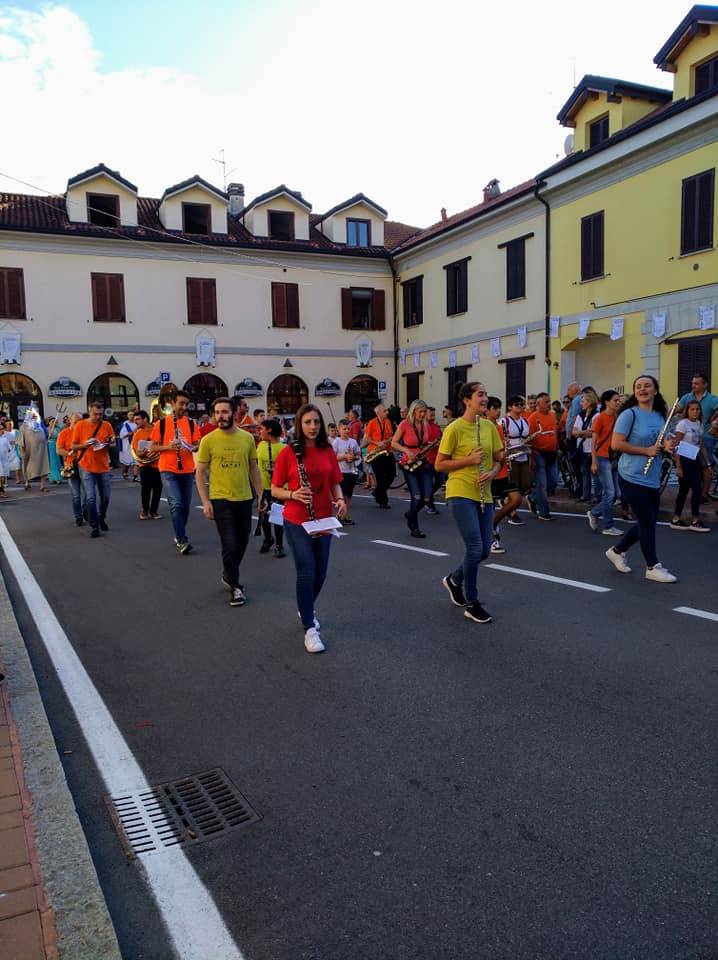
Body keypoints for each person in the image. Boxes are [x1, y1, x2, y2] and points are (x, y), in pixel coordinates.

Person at [271, 404, 347, 654]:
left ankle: (305, 605)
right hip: (296, 519)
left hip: (323, 519)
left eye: (316, 422)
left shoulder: (327, 451)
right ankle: (309, 628)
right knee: (306, 570)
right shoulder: (288, 453)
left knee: (321, 573)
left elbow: (334, 482)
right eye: (307, 422)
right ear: (299, 426)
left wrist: (340, 500)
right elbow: (275, 489)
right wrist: (293, 493)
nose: (313, 427)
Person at [435, 382, 503, 623]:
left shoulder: (489, 427)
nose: (485, 399)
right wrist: (468, 460)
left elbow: (499, 457)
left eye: (485, 394)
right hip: (460, 491)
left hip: (485, 494)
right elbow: (440, 464)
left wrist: (494, 472)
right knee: (474, 548)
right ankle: (472, 603)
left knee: (484, 550)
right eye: (480, 394)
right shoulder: (454, 429)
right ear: (467, 400)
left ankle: (454, 579)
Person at [605, 375, 678, 583]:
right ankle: (652, 566)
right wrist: (644, 451)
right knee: (647, 520)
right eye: (638, 386)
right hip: (631, 476)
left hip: (652, 477)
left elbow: (664, 438)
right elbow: (616, 444)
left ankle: (617, 550)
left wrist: (667, 445)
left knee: (649, 521)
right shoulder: (629, 414)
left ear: (655, 390)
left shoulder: (659, 414)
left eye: (647, 386)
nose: (642, 389)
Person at [196, 397, 263, 607]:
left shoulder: (247, 438)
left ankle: (228, 574)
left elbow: (253, 468)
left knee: (242, 541)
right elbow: (199, 473)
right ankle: (235, 586)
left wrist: (261, 495)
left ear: (234, 413)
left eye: (224, 412)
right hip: (220, 499)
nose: (220, 416)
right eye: (217, 412)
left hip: (244, 498)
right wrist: (206, 502)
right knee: (230, 543)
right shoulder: (208, 440)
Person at [151, 390, 200, 555]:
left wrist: (193, 446)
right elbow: (153, 447)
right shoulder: (161, 424)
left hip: (187, 469)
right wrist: (169, 447)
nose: (184, 407)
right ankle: (182, 539)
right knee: (176, 503)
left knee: (185, 507)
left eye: (186, 404)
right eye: (181, 403)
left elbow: (197, 443)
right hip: (168, 468)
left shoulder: (192, 423)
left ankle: (179, 533)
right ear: (173, 403)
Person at [71, 402, 115, 538]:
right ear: (89, 411)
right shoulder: (80, 425)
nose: (98, 417)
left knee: (106, 497)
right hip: (86, 466)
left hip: (103, 466)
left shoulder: (106, 425)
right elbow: (73, 446)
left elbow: (113, 442)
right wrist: (85, 444)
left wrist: (106, 445)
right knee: (91, 498)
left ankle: (101, 517)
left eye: (100, 414)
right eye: (95, 414)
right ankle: (94, 526)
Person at [392, 399, 433, 538]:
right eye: (420, 412)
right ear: (413, 411)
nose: (423, 414)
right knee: (416, 496)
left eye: (424, 412)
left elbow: (425, 442)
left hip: (423, 462)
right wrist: (406, 450)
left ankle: (411, 514)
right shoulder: (404, 424)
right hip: (409, 463)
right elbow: (394, 443)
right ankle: (414, 527)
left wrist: (431, 445)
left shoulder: (425, 424)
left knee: (426, 497)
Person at [485, 397, 519, 553]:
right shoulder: (483, 427)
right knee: (489, 507)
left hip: (503, 470)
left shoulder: (498, 427)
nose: (498, 411)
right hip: (491, 472)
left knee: (516, 499)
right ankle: (493, 540)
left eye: (499, 408)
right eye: (495, 408)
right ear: (487, 410)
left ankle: (491, 524)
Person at [586, 390, 623, 536]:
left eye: (619, 400)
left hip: (613, 458)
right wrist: (594, 462)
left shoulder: (617, 417)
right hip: (602, 458)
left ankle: (595, 513)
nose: (618, 402)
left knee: (614, 494)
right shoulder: (600, 418)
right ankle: (608, 526)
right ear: (606, 402)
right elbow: (593, 442)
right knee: (610, 493)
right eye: (615, 400)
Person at [670, 400, 710, 532]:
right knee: (695, 489)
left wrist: (707, 462)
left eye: (697, 409)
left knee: (685, 490)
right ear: (687, 410)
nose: (695, 412)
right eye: (692, 409)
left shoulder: (699, 424)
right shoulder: (683, 424)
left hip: (695, 459)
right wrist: (678, 466)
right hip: (685, 459)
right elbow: (676, 445)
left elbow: (701, 445)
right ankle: (695, 520)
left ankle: (676, 518)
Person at [678, 373, 718, 503]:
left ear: (704, 385)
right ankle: (690, 491)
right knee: (686, 464)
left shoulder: (712, 399)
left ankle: (703, 495)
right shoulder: (687, 397)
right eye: (692, 383)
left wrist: (714, 420)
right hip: (688, 437)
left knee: (705, 465)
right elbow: (677, 409)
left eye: (696, 383)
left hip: (705, 437)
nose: (693, 385)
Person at [499, 396, 532, 526]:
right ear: (510, 407)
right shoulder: (504, 421)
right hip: (511, 457)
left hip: (523, 455)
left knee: (525, 485)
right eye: (517, 404)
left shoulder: (525, 421)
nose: (520, 406)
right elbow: (499, 437)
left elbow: (527, 436)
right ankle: (512, 514)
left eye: (521, 404)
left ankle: (506, 501)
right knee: (515, 486)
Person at [256, 418, 286, 557]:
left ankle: (279, 545)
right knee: (263, 515)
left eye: (261, 429)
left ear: (269, 430)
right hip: (264, 487)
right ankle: (268, 538)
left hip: (279, 488)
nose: (259, 432)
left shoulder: (284, 448)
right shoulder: (261, 445)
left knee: (277, 517)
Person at [527, 392, 559, 520]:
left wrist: (558, 449)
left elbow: (554, 434)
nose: (549, 404)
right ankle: (544, 512)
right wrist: (532, 457)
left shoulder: (553, 416)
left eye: (549, 401)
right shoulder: (533, 418)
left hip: (552, 453)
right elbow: (528, 439)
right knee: (542, 484)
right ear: (538, 404)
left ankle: (533, 497)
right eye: (546, 402)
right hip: (538, 453)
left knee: (554, 481)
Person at [363, 403, 396, 509]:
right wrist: (378, 443)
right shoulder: (372, 423)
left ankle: (377, 492)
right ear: (378, 412)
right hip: (376, 453)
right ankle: (383, 501)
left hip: (387, 451)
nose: (387, 412)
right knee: (381, 478)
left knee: (392, 474)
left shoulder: (388, 422)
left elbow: (390, 436)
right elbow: (366, 439)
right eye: (385, 411)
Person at [131, 410, 163, 520]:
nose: (135, 422)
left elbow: (162, 444)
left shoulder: (157, 429)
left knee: (158, 488)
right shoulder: (138, 433)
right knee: (145, 488)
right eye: (134, 420)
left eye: (137, 419)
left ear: (145, 419)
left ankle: (154, 511)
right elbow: (136, 451)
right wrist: (142, 452)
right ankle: (145, 510)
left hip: (158, 464)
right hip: (144, 464)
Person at [56, 412, 87, 526]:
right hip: (71, 466)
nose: (78, 424)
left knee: (89, 494)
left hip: (85, 466)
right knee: (76, 495)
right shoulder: (64, 433)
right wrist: (70, 453)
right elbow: (58, 450)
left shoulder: (84, 432)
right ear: (70, 421)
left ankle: (85, 510)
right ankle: (78, 517)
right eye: (75, 422)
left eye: (80, 422)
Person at [571, 390, 599, 503]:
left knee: (594, 473)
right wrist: (584, 432)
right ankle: (585, 495)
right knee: (584, 472)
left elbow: (593, 433)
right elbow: (574, 432)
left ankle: (597, 495)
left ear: (589, 402)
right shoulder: (580, 415)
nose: (581, 404)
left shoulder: (597, 415)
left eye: (583, 401)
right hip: (582, 447)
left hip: (592, 448)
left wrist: (580, 432)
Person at [332, 419, 361, 524]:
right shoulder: (336, 442)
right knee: (343, 495)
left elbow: (358, 455)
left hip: (351, 471)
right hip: (341, 471)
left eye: (348, 428)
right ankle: (340, 515)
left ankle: (346, 515)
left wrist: (353, 457)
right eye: (344, 429)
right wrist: (344, 456)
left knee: (349, 495)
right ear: (339, 430)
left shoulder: (353, 442)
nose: (347, 431)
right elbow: (332, 458)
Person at [18, 407, 49, 492]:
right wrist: (22, 450)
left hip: (42, 450)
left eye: (35, 415)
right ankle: (27, 483)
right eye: (32, 416)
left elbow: (47, 436)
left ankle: (42, 486)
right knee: (27, 467)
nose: (34, 417)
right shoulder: (24, 426)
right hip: (29, 450)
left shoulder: (40, 425)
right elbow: (21, 440)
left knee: (44, 466)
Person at [424, 407, 443, 514]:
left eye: (433, 415)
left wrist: (440, 443)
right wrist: (431, 444)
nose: (433, 417)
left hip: (437, 460)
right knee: (429, 483)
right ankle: (430, 505)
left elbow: (441, 439)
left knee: (440, 480)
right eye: (431, 415)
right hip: (427, 460)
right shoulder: (422, 427)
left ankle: (427, 496)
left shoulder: (436, 427)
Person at [118, 411, 137, 480]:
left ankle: (135, 476)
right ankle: (125, 471)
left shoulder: (137, 423)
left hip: (135, 444)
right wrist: (129, 434)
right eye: (130, 415)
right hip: (126, 445)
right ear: (127, 416)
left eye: (133, 415)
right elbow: (121, 436)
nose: (131, 416)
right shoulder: (124, 424)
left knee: (135, 461)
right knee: (127, 462)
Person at [46, 417, 63, 484]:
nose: (53, 422)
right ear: (49, 422)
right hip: (51, 445)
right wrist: (52, 427)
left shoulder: (58, 429)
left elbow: (61, 436)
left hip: (57, 445)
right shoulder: (47, 429)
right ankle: (54, 477)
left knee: (58, 461)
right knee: (53, 461)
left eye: (54, 421)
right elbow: (49, 436)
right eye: (52, 421)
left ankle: (58, 477)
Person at [4, 420, 21, 485]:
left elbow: (20, 440)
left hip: (15, 451)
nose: (10, 425)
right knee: (5, 467)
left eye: (11, 424)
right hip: (6, 453)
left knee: (17, 464)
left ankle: (18, 479)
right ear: (6, 425)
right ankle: (5, 482)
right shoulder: (3, 432)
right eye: (9, 424)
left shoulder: (16, 431)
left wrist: (15, 442)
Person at [0, 422, 11, 496]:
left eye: (2, 429)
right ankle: (1, 492)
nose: (1, 430)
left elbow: (9, 449)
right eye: (0, 429)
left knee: (3, 477)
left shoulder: (5, 439)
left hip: (4, 460)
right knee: (0, 476)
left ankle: (2, 490)